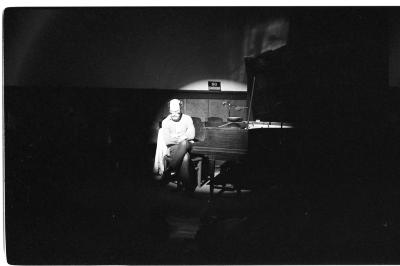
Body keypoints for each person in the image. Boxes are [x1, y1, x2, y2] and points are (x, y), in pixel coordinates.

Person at [161, 99, 196, 192]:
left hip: (188, 146)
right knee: (185, 157)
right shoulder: (165, 122)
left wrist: (179, 138)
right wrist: (183, 137)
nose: (174, 114)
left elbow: (192, 135)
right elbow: (168, 140)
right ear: (169, 111)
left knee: (184, 143)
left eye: (177, 112)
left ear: (181, 109)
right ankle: (188, 188)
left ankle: (169, 169)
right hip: (173, 148)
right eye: (172, 112)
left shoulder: (187, 118)